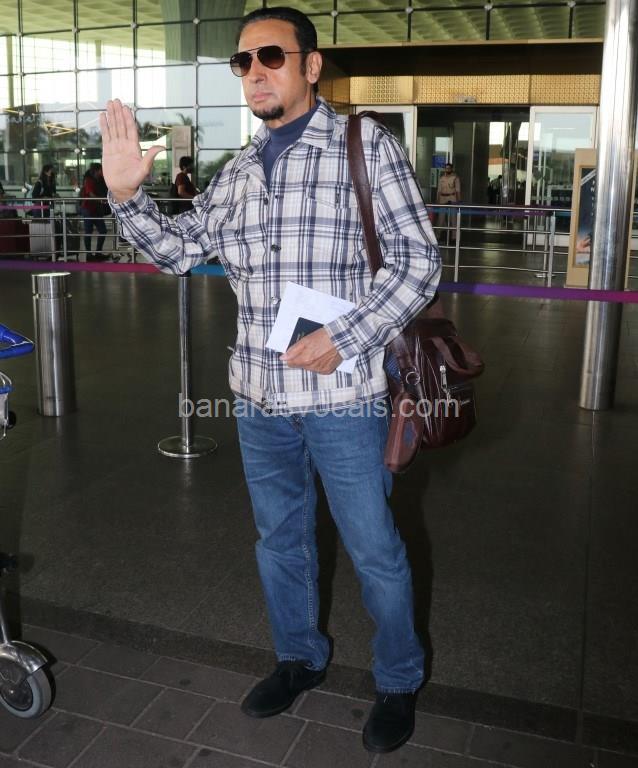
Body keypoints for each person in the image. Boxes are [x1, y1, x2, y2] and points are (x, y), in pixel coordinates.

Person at [100, 5, 440, 754]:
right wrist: (127, 196)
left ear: (310, 66)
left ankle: (398, 678)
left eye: (271, 56)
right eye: (243, 61)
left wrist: (344, 336)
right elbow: (178, 251)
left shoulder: (364, 146)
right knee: (280, 541)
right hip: (259, 400)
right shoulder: (241, 169)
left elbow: (419, 263)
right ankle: (298, 659)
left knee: (375, 549)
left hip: (344, 400)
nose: (255, 72)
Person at [80, 163, 109, 262]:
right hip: (88, 209)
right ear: (97, 171)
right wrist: (101, 200)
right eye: (101, 170)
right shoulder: (89, 180)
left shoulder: (99, 179)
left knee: (103, 230)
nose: (102, 172)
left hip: (96, 209)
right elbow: (90, 194)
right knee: (88, 231)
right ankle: (89, 254)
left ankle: (98, 253)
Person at [436, 162, 461, 241]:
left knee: (453, 218)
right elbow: (439, 190)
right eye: (446, 168)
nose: (447, 170)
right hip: (443, 198)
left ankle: (454, 237)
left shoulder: (455, 178)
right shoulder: (441, 178)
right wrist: (437, 201)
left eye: (449, 168)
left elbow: (458, 190)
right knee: (441, 218)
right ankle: (437, 235)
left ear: (451, 169)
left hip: (452, 198)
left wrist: (458, 201)